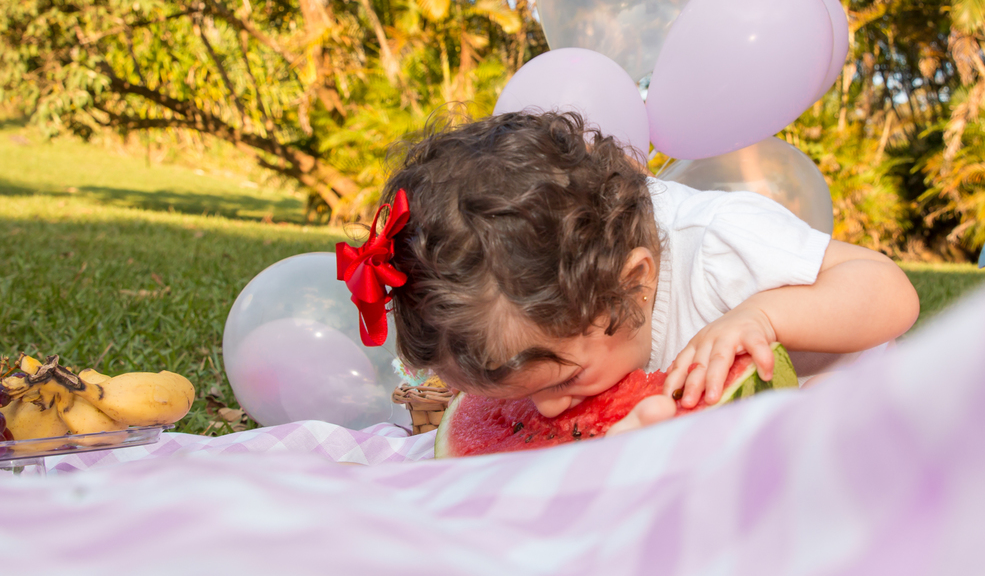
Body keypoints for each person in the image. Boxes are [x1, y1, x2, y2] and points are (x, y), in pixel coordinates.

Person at [342, 111, 919, 435]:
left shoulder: (718, 242)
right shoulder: (563, 319)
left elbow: (890, 291)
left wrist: (763, 316)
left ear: (633, 284)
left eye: (562, 381)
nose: (545, 412)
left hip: (861, 423)